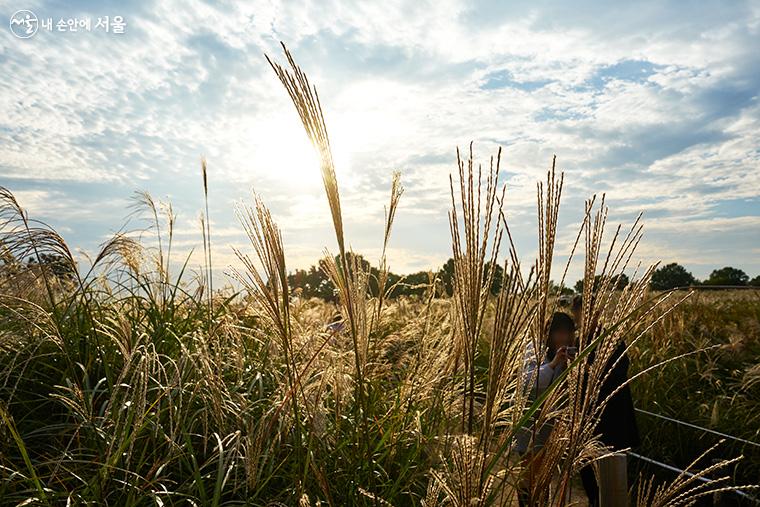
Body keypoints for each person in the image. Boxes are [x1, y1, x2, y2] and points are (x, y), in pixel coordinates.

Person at [571, 295, 639, 507]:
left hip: (612, 421)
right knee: (589, 478)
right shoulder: (577, 341)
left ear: (598, 313)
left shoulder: (612, 337)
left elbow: (618, 373)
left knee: (612, 482)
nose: (585, 317)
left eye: (591, 311)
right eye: (581, 313)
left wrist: (584, 369)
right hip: (586, 421)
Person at [515, 312, 577, 506]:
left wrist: (573, 367)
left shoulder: (568, 353)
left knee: (545, 473)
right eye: (559, 332)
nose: (564, 338)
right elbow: (528, 381)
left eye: (568, 333)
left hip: (551, 423)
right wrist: (553, 364)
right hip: (530, 421)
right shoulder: (533, 349)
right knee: (528, 472)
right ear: (549, 333)